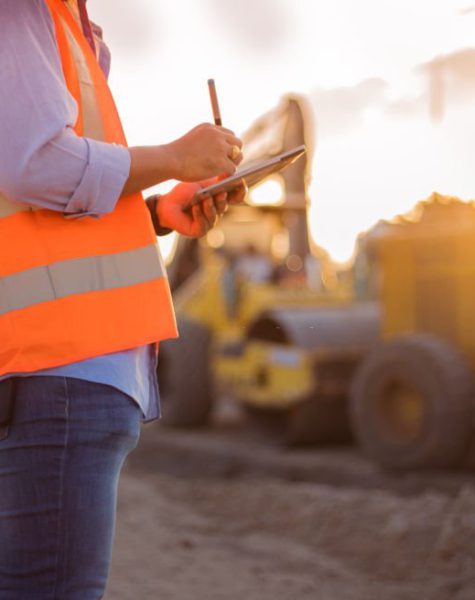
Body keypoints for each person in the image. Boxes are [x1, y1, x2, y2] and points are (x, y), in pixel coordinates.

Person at [0, 1, 246, 598]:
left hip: (51, 367)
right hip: (58, 364)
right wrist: (174, 158)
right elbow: (35, 163)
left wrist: (157, 213)